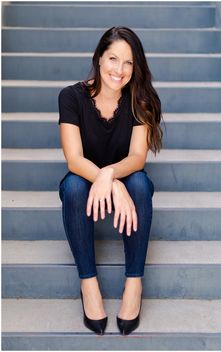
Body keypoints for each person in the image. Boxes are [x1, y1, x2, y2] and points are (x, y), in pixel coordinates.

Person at [58, 26, 163, 336]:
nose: (120, 70)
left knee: (141, 184)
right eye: (113, 59)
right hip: (85, 176)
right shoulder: (71, 97)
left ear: (136, 67)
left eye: (128, 62)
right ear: (99, 59)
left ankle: (134, 283)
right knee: (74, 187)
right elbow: (74, 160)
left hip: (124, 175)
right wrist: (108, 181)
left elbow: (137, 158)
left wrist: (111, 175)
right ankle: (88, 284)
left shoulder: (139, 100)